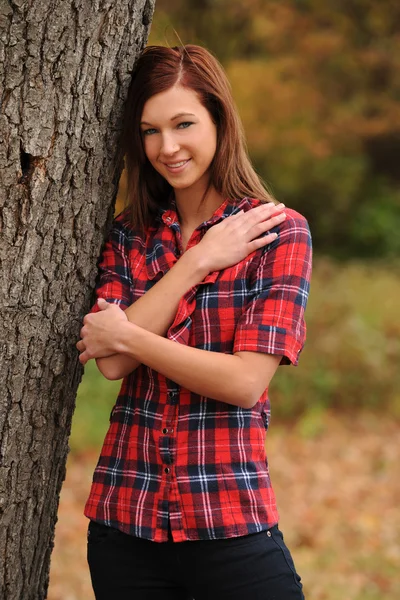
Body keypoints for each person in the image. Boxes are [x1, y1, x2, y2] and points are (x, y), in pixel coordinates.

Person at [77, 44, 312, 600]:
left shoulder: (277, 233)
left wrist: (132, 333)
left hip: (229, 520)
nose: (168, 147)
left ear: (220, 121)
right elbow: (110, 364)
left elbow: (242, 382)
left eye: (184, 124)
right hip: (123, 523)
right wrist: (196, 261)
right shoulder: (127, 236)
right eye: (150, 131)